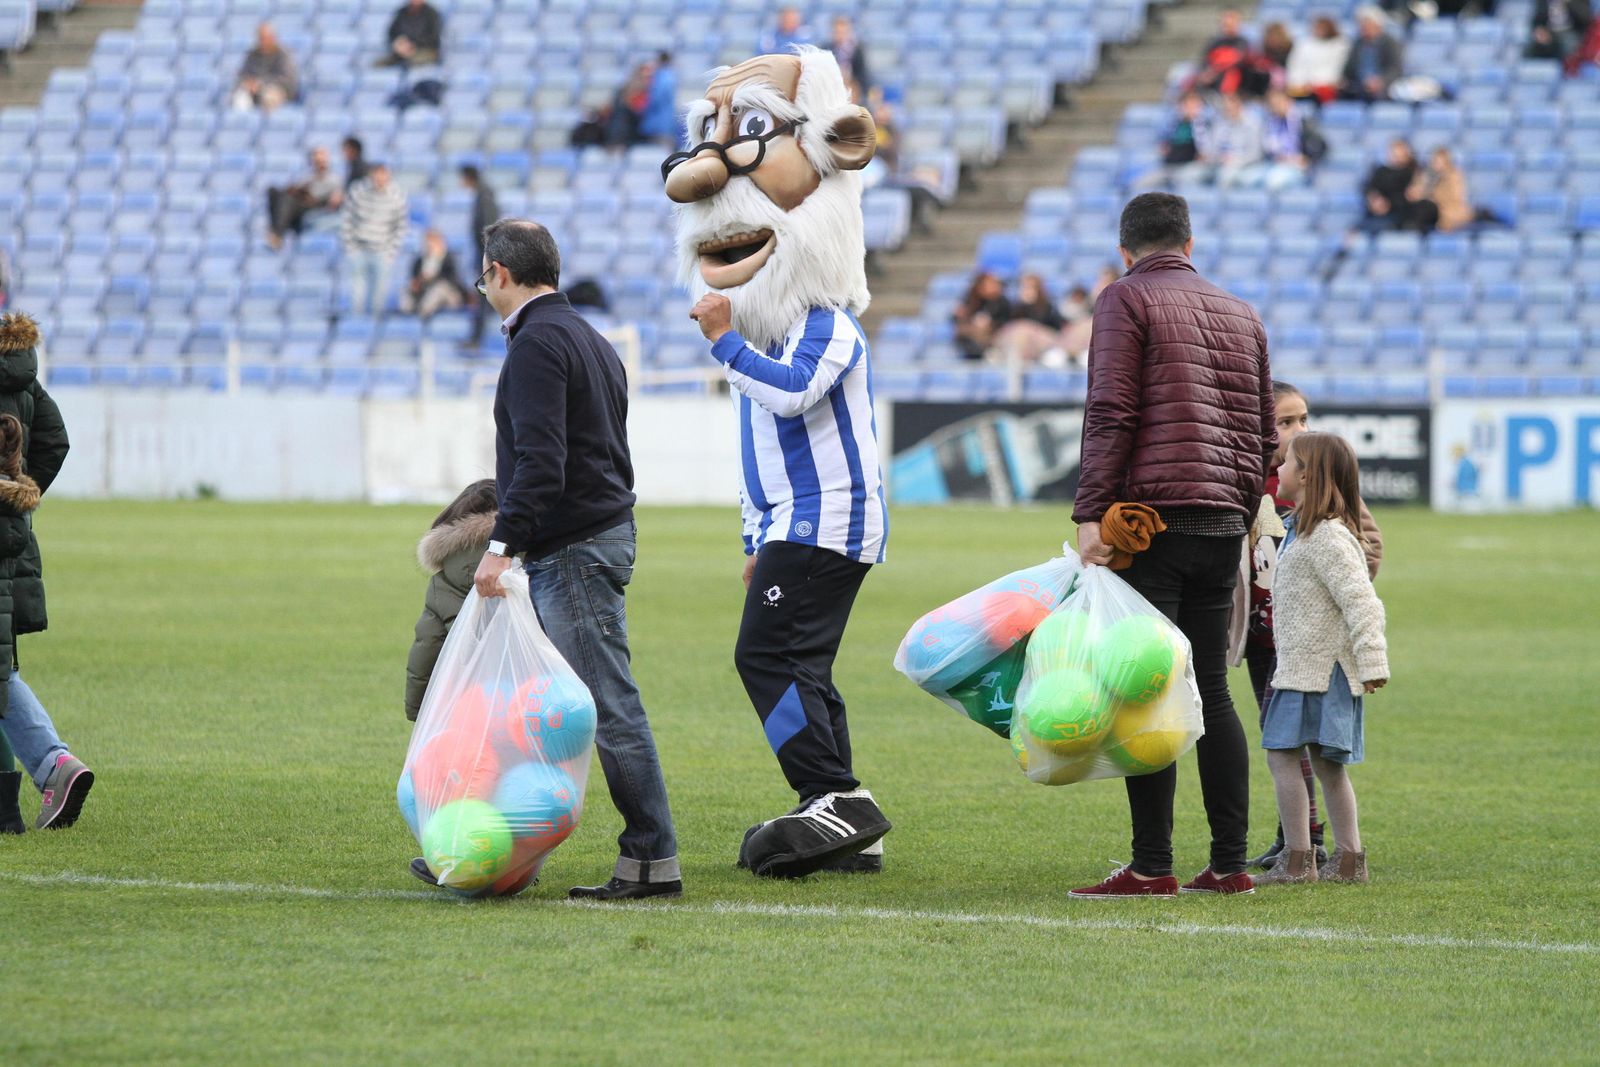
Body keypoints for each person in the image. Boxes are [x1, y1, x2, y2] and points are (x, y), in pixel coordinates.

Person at [669, 50, 891, 878]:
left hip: (828, 518)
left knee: (761, 655)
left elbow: (794, 396)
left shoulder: (829, 322)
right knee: (802, 662)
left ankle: (832, 793)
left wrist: (723, 340)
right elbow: (760, 448)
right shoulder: (774, 332)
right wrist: (753, 535)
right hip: (795, 525)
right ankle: (841, 817)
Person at [1068, 193, 1275, 899]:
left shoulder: (1125, 300)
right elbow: (1263, 433)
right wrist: (1242, 509)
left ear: (1127, 249)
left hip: (1151, 521)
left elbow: (1114, 409)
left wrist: (1091, 512)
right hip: (1223, 522)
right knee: (1212, 688)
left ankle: (1152, 864)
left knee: (1146, 686)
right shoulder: (1243, 313)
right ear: (1189, 241)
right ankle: (1230, 862)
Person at [472, 219, 681, 901]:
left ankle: (651, 859)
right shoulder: (589, 337)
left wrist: (501, 546)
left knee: (606, 705)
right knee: (550, 704)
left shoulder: (535, 345)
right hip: (601, 534)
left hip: (572, 548)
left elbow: (542, 462)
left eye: (483, 271)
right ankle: (504, 846)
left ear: (499, 271)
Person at [1230, 382, 1383, 871]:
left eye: (1303, 419)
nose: (1299, 430)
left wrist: (1370, 657)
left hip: (1311, 659)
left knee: (1294, 753)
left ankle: (1306, 852)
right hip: (1271, 645)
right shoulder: (1268, 496)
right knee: (1301, 752)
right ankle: (1317, 851)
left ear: (1306, 474)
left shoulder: (1326, 526)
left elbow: (1361, 585)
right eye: (1286, 421)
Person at [0, 315, 89, 834]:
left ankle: (55, 764)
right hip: (13, 541)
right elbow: (55, 441)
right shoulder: (21, 372)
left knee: (2, 673)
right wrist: (18, 496)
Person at [405, 479, 497, 723]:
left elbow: (427, 644)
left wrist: (417, 708)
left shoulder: (443, 581)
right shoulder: (529, 564)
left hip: (463, 705)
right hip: (526, 697)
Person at [340, 162, 408, 318]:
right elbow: (346, 220)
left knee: (379, 295)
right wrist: (351, 248)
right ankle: (356, 327)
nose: (380, 179)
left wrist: (391, 252)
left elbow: (400, 227)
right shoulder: (358, 191)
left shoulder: (396, 195)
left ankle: (374, 328)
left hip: (382, 250)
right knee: (357, 293)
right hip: (359, 248)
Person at [265, 146, 344, 251]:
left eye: (322, 159)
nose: (320, 162)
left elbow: (336, 199)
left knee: (288, 200)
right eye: (317, 160)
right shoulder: (308, 177)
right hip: (300, 203)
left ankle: (277, 234)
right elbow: (296, 189)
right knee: (273, 192)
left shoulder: (334, 179)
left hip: (316, 206)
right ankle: (276, 229)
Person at [460, 165, 499, 344]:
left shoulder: (485, 196)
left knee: (483, 295)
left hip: (486, 254)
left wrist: (486, 256)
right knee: (483, 295)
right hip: (484, 253)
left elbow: (488, 228)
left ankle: (477, 339)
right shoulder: (482, 194)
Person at [993, 273, 1067, 367]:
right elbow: (1011, 324)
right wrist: (1023, 306)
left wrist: (1031, 306)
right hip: (1019, 343)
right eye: (1024, 287)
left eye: (1031, 287)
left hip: (1041, 342)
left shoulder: (1048, 306)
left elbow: (1050, 327)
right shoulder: (1016, 306)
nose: (1027, 290)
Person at [1148, 91, 1214, 187]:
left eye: (1196, 105)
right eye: (1188, 105)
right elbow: (1161, 140)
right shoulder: (1173, 123)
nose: (1192, 109)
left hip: (1191, 165)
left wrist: (1195, 120)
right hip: (1169, 166)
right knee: (1142, 186)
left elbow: (1205, 150)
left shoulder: (1205, 124)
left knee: (1181, 181)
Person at [1356, 139, 1421, 235]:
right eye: (1394, 153)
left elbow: (1409, 197)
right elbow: (1369, 188)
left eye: (1400, 153)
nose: (1397, 156)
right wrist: (1374, 200)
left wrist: (1387, 205)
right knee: (1356, 230)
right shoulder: (1381, 171)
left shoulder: (1412, 173)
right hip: (1375, 215)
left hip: (1399, 218)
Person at [1260, 89, 1321, 191]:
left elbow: (1321, 145)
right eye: (1272, 104)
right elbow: (1267, 147)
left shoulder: (1303, 121)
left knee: (1272, 181)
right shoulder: (1270, 123)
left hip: (1295, 166)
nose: (1275, 107)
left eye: (1278, 103)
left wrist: (1307, 158)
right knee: (1247, 179)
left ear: (1288, 102)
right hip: (1274, 163)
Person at [399, 229, 467, 318]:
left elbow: (454, 280)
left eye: (432, 243)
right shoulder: (419, 261)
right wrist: (417, 282)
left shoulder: (449, 260)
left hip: (449, 295)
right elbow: (414, 278)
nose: (429, 247)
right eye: (427, 244)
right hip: (425, 291)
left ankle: (423, 313)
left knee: (440, 287)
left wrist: (433, 277)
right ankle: (408, 313)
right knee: (407, 288)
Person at [231, 22, 298, 112]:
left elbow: (286, 79)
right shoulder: (252, 55)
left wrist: (261, 83)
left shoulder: (283, 55)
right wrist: (248, 83)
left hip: (277, 90)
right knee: (240, 98)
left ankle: (269, 124)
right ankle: (242, 123)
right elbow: (242, 74)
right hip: (253, 92)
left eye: (267, 38)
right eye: (261, 38)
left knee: (269, 96)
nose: (264, 41)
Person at [1340, 8, 1402, 103]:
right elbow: (1348, 68)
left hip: (1381, 85)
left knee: (1378, 94)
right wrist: (1344, 80)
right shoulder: (1358, 43)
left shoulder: (1390, 43)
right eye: (1362, 25)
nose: (1364, 28)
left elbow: (1395, 69)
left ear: (1378, 26)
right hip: (1359, 84)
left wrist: (1381, 81)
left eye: (1368, 25)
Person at [1287, 16, 1351, 103]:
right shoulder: (1304, 45)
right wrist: (1300, 83)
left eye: (1323, 28)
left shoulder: (1340, 45)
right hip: (1305, 87)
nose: (1319, 30)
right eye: (1317, 27)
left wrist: (1320, 83)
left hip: (1329, 87)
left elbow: (1337, 69)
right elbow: (1295, 67)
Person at [1211, 93, 1267, 187]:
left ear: (1239, 106)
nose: (1228, 111)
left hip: (1247, 165)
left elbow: (1255, 154)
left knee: (1226, 176)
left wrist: (1235, 160)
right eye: (1226, 109)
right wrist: (1220, 158)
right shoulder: (1220, 124)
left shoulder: (1252, 124)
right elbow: (1212, 149)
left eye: (1230, 108)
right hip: (1221, 164)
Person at [953, 272, 1012, 360]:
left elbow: (1007, 321)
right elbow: (957, 316)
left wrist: (991, 324)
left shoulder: (1002, 302)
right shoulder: (973, 299)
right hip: (973, 332)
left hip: (993, 335)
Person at [1526, 0, 1593, 62]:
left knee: (1568, 44)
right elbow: (1537, 20)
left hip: (1571, 32)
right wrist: (1539, 31)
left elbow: (1585, 19)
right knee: (1531, 48)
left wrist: (1569, 3)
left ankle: (1568, 69)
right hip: (1549, 32)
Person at [380, 0, 442, 67]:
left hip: (426, 51)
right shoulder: (401, 12)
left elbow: (433, 37)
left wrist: (412, 45)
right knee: (380, 64)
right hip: (402, 52)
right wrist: (397, 43)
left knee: (410, 63)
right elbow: (392, 33)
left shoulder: (431, 13)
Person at [638, 51, 679, 146]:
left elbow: (655, 100)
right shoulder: (671, 76)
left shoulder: (662, 77)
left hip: (658, 124)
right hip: (666, 122)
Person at [828, 15, 871, 98]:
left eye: (843, 32)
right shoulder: (826, 49)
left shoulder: (857, 50)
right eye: (838, 32)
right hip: (832, 88)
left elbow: (863, 74)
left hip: (854, 88)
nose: (840, 35)